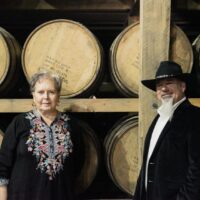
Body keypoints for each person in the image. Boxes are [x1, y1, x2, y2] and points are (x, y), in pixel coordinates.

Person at [0, 71, 83, 200]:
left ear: (58, 96)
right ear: (33, 95)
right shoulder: (19, 123)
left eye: (51, 92)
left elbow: (77, 165)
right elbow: (2, 168)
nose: (46, 97)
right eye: (40, 92)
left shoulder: (73, 126)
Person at [133, 61, 200, 200]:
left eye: (169, 83)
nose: (164, 89)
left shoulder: (194, 117)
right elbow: (148, 165)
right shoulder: (159, 117)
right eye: (159, 85)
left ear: (182, 86)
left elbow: (197, 171)